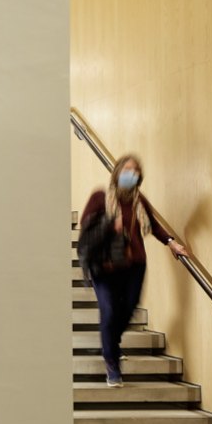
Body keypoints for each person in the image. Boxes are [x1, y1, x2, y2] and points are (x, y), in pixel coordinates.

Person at [80, 154, 186, 387]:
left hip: (134, 265)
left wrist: (171, 243)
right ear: (117, 172)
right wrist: (110, 223)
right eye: (127, 169)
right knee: (109, 312)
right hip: (105, 266)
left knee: (127, 310)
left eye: (135, 171)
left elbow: (154, 225)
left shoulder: (139, 201)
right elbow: (86, 227)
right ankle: (112, 365)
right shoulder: (100, 197)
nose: (131, 174)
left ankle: (110, 343)